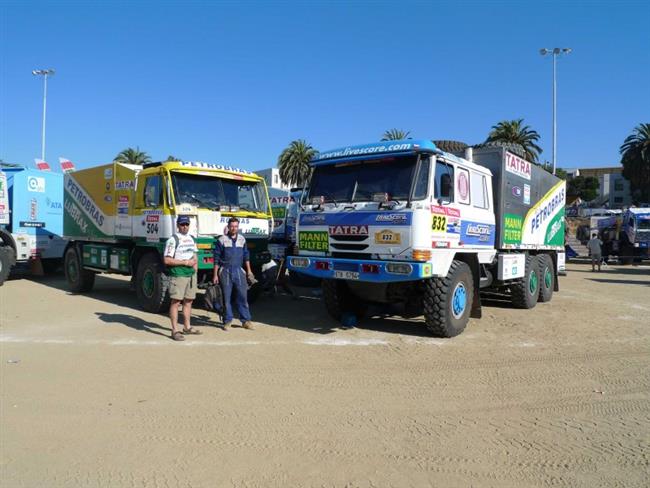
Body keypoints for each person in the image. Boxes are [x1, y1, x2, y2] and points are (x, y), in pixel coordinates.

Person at [163, 215, 202, 341]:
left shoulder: (192, 238)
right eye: (182, 224)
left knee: (189, 301)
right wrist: (185, 263)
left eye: (186, 224)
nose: (184, 227)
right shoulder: (173, 240)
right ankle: (174, 330)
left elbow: (195, 255)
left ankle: (187, 327)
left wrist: (195, 267)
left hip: (191, 275)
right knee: (176, 302)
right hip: (178, 274)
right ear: (178, 225)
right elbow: (167, 260)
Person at [212, 217, 255, 330]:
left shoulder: (242, 239)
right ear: (228, 227)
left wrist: (249, 271)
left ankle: (246, 321)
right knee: (226, 298)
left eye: (236, 226)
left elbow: (246, 256)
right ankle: (227, 321)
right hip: (225, 271)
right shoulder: (221, 240)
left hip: (239, 271)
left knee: (243, 296)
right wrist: (215, 275)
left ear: (238, 227)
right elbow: (216, 258)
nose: (233, 228)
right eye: (232, 226)